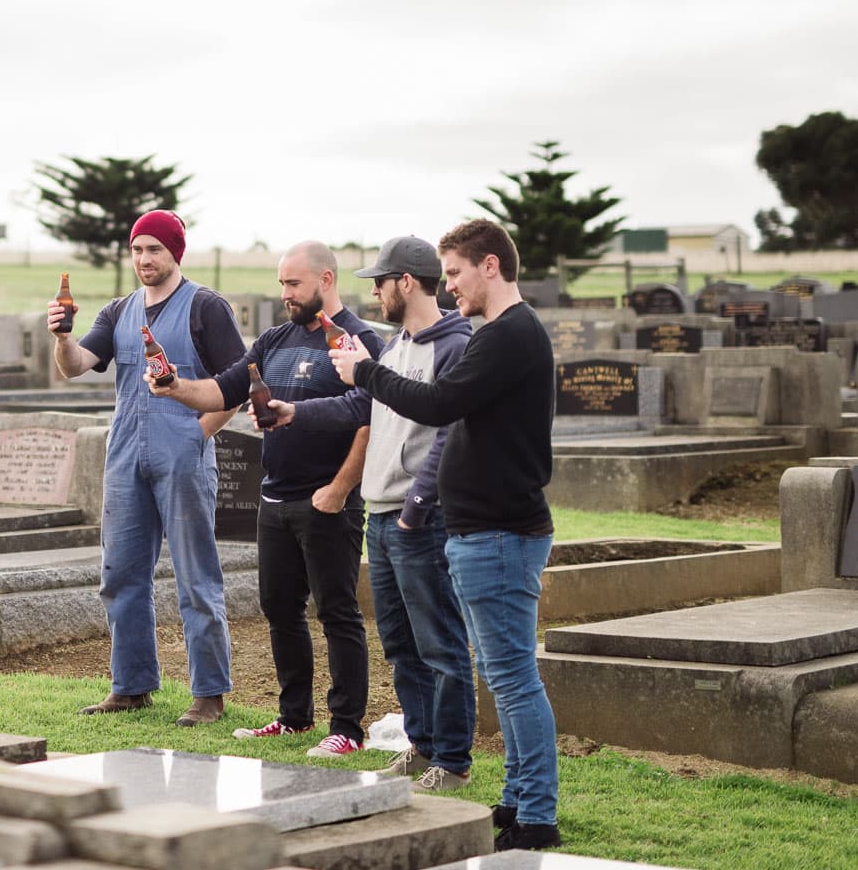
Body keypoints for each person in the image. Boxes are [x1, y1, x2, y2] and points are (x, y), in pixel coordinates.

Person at [327, 219, 561, 852]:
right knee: (500, 672)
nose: (449, 284)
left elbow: (436, 405)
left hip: (500, 532)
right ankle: (517, 800)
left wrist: (365, 372)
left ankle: (538, 814)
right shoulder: (502, 334)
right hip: (481, 530)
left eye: (455, 272)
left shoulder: (507, 336)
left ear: (491, 266)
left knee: (512, 677)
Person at [149, 240, 382, 757]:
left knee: (338, 612)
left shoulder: (357, 340)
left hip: (328, 498)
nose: (285, 295)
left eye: (293, 284)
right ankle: (294, 717)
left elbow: (369, 417)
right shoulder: (276, 339)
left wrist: (340, 489)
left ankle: (346, 727)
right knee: (280, 608)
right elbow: (223, 390)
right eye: (281, 284)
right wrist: (173, 387)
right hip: (275, 498)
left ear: (326, 279)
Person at [265, 236, 475, 790]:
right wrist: (294, 412)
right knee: (402, 646)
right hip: (381, 515)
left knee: (440, 644)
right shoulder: (396, 345)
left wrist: (415, 506)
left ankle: (452, 762)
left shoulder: (453, 345)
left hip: (415, 519)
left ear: (406, 282)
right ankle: (422, 748)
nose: (375, 292)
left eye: (380, 282)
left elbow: (448, 434)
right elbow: (364, 405)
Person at [46, 210, 245, 726]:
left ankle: (209, 693)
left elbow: (241, 384)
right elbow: (73, 367)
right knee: (120, 575)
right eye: (137, 250)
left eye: (154, 249)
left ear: (175, 253)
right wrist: (61, 337)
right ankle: (131, 685)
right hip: (125, 455)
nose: (144, 259)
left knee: (194, 575)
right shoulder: (118, 311)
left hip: (182, 454)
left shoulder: (206, 307)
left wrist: (198, 432)